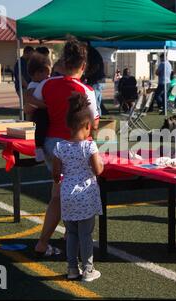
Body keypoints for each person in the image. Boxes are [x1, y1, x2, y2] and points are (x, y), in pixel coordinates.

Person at [31, 37, 100, 257]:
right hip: (75, 146)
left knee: (59, 194)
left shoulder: (47, 83)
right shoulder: (85, 90)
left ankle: (64, 237)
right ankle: (60, 241)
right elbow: (94, 122)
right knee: (77, 195)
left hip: (52, 144)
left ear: (62, 62)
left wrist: (51, 107)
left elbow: (32, 102)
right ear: (83, 66)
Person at [53, 92, 103, 281]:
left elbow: (56, 174)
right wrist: (102, 165)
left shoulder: (59, 147)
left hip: (67, 195)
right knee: (86, 234)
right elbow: (98, 170)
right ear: (87, 126)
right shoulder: (89, 146)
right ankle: (88, 270)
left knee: (71, 233)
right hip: (86, 195)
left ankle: (72, 268)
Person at [24, 53, 52, 162]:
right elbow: (29, 97)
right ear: (37, 74)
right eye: (47, 74)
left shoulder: (41, 83)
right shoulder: (33, 85)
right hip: (37, 115)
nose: (49, 77)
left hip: (39, 113)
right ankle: (39, 153)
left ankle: (40, 151)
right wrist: (44, 105)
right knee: (39, 133)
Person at [85, 45, 107, 116]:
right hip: (99, 81)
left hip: (97, 81)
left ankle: (96, 121)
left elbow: (95, 67)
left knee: (94, 103)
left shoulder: (91, 53)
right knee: (96, 103)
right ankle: (98, 120)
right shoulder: (92, 52)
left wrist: (86, 75)